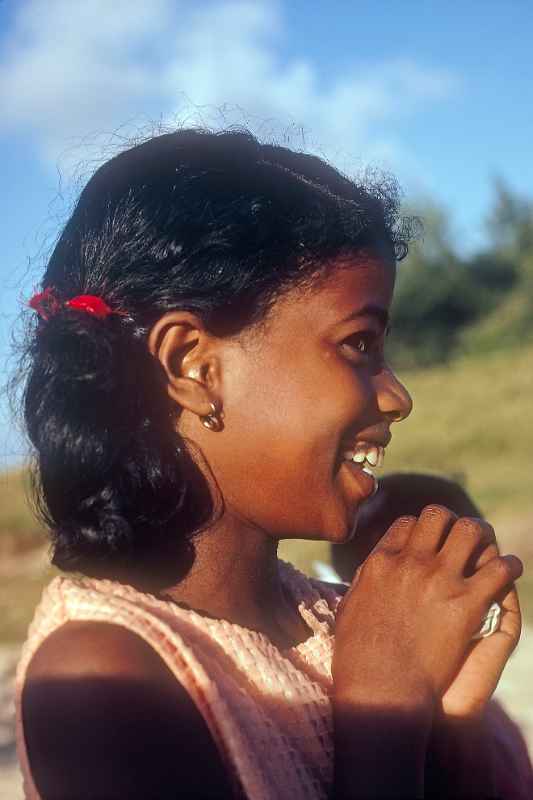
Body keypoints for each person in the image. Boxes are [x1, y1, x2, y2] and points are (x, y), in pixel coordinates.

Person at [13, 129, 531, 799]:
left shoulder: (343, 623)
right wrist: (384, 709)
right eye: (358, 343)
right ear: (192, 366)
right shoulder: (99, 679)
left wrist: (451, 725)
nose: (396, 395)